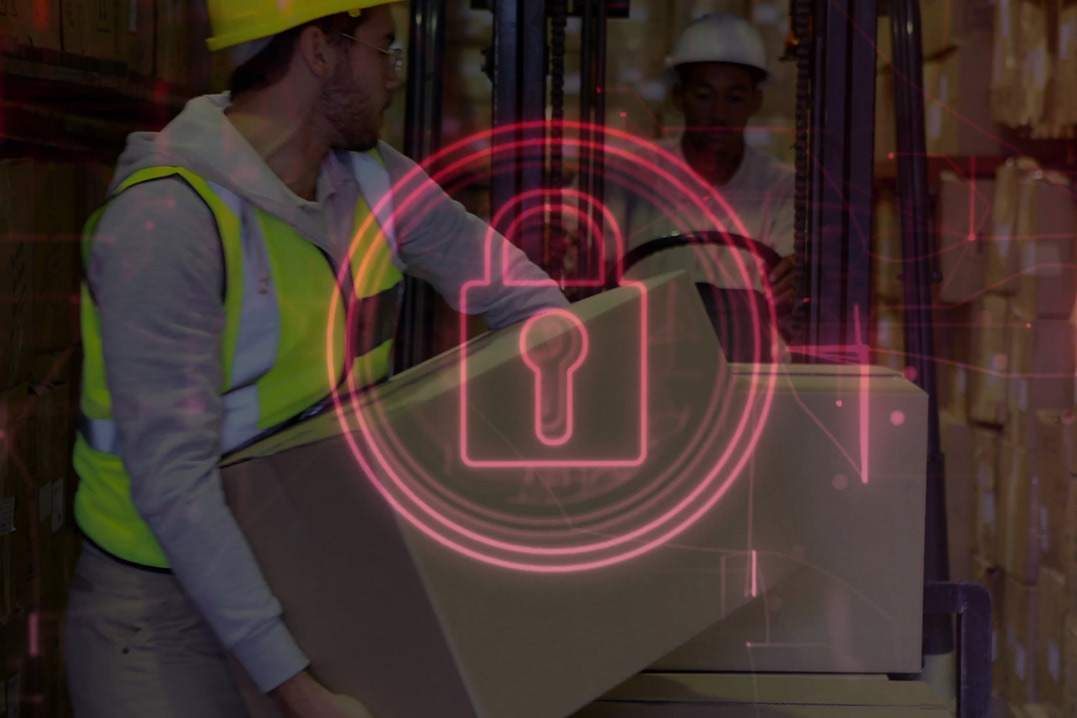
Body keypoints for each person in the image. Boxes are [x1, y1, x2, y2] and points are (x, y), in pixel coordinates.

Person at [63, 1, 568, 716]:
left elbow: (523, 295)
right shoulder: (168, 222)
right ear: (319, 50)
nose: (395, 76)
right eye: (384, 49)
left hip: (308, 578)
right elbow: (173, 483)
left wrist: (547, 440)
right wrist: (296, 689)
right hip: (163, 613)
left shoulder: (370, 180)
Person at [607, 12, 796, 315]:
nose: (719, 114)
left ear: (756, 101)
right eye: (705, 96)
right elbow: (580, 247)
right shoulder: (628, 177)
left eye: (734, 98)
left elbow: (793, 272)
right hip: (644, 339)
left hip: (748, 344)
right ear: (678, 96)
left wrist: (797, 275)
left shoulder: (783, 188)